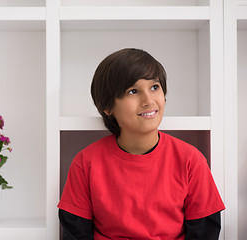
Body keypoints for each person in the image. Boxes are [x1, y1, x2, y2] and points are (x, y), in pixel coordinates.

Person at [57, 48, 225, 240]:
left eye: (155, 87)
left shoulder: (191, 160)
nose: (149, 100)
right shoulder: (85, 162)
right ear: (107, 106)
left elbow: (205, 231)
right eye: (133, 91)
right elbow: (75, 232)